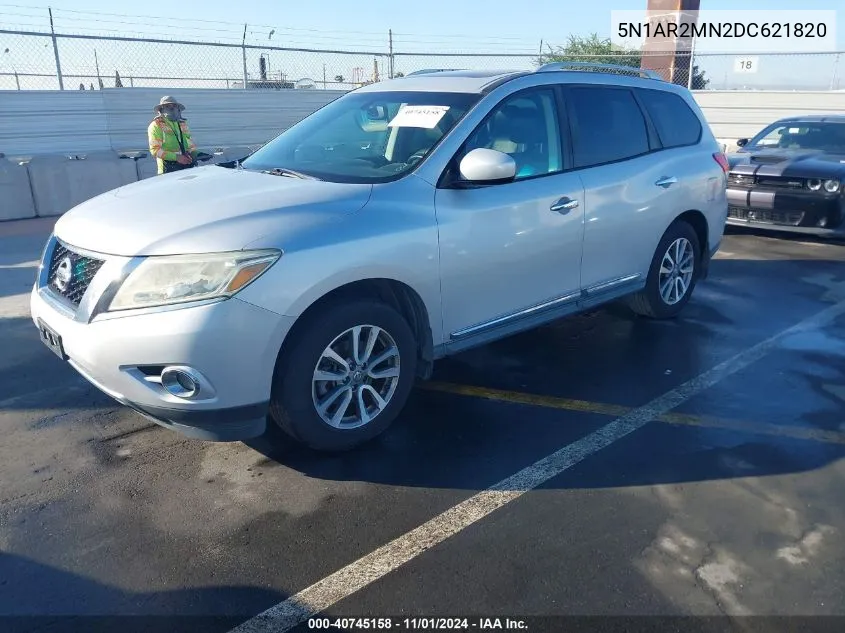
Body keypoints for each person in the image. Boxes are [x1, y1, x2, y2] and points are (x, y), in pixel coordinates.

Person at [147, 96, 198, 175]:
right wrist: (176, 157)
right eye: (167, 106)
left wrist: (196, 154)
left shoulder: (182, 124)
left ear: (178, 109)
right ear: (161, 110)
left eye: (174, 106)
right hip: (167, 170)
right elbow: (155, 150)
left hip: (186, 167)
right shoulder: (156, 125)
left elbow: (190, 144)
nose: (172, 109)